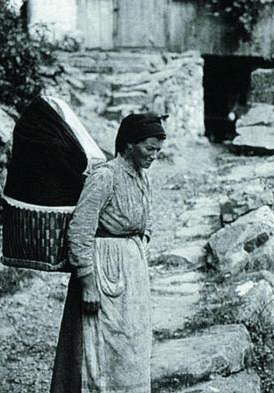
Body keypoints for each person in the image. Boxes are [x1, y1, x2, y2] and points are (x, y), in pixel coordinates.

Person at [50, 113, 167, 393]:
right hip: (104, 270)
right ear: (129, 145)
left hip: (131, 269)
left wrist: (139, 243)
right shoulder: (105, 176)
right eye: (149, 149)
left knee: (131, 341)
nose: (153, 156)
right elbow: (79, 230)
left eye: (157, 151)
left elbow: (146, 217)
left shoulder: (141, 176)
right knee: (103, 342)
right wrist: (88, 281)